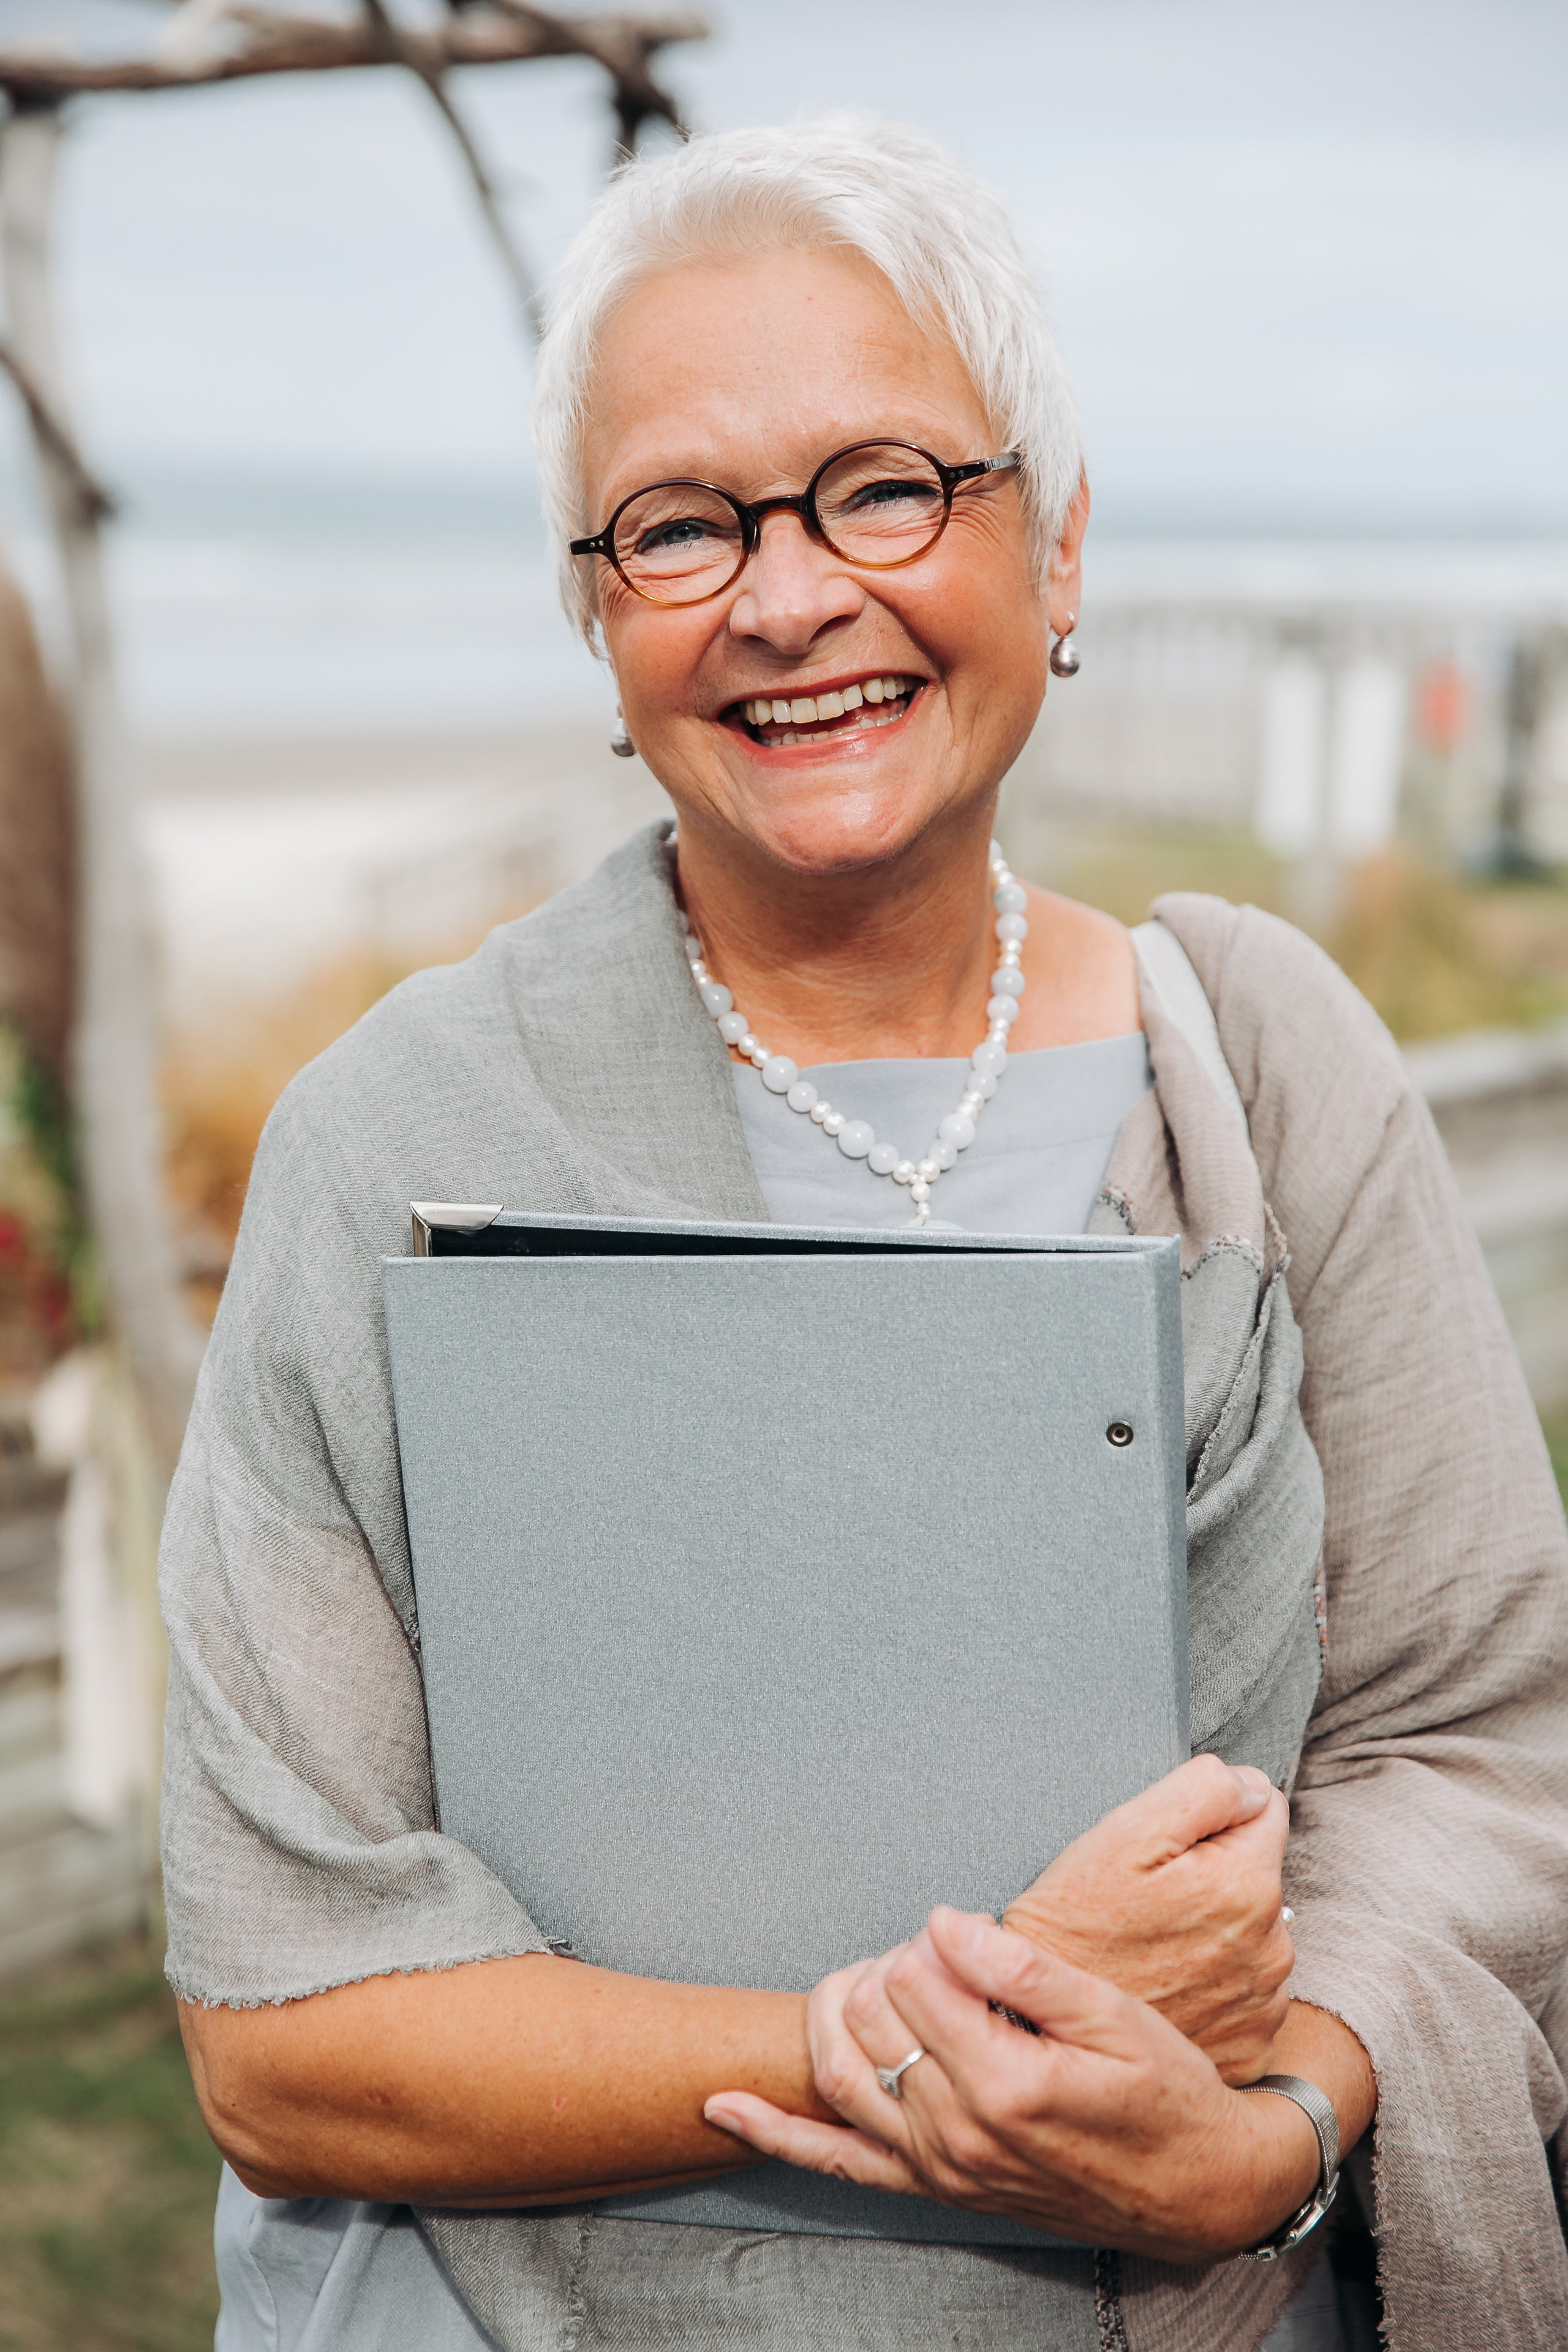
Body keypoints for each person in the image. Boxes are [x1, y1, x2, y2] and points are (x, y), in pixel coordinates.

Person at [164, 119, 1568, 2352]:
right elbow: (287, 2017)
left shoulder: (1269, 1076)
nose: (790, 593)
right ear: (598, 620)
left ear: (1063, 549)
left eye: (887, 484)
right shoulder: (403, 1147)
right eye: (680, 525)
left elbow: (1478, 1750)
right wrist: (934, 2033)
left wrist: (1269, 2134)